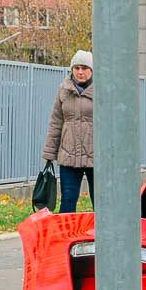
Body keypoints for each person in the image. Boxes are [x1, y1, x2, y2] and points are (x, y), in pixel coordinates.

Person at [42, 50, 95, 213]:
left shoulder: (103, 91)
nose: (80, 72)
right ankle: (65, 237)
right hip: (69, 155)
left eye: (84, 68)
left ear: (92, 70)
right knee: (68, 200)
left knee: (101, 201)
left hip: (96, 156)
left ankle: (104, 237)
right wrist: (50, 153)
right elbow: (56, 122)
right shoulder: (63, 90)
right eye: (76, 67)